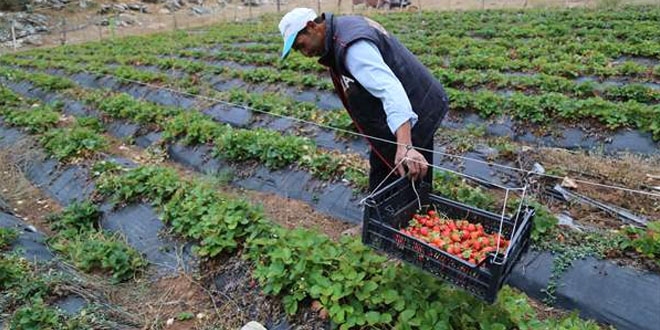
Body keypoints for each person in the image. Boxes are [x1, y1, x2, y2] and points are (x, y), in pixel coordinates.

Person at [278, 8, 449, 194]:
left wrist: (405, 146)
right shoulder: (342, 29)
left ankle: (414, 212)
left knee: (408, 175)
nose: (304, 53)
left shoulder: (351, 47)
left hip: (414, 110)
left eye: (301, 45)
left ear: (312, 27)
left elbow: (390, 89)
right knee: (385, 174)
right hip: (401, 111)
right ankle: (394, 216)